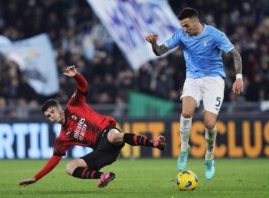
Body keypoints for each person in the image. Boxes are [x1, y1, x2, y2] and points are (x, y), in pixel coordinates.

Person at [18, 65, 167, 188]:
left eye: (52, 111)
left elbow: (83, 86)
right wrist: (35, 177)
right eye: (48, 116)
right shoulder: (63, 138)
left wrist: (76, 76)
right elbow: (54, 160)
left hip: (107, 132)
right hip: (103, 152)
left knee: (114, 135)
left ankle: (154, 143)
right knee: (69, 168)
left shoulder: (74, 105)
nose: (52, 116)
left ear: (58, 107)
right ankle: (104, 176)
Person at [145, 7, 243, 180]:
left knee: (209, 123)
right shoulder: (181, 35)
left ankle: (209, 157)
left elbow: (235, 55)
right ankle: (184, 149)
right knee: (186, 112)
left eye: (186, 26)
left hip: (214, 80)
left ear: (196, 22)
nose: (184, 29)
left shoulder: (215, 35)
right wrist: (153, 44)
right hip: (193, 79)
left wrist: (239, 77)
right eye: (182, 26)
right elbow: (160, 51)